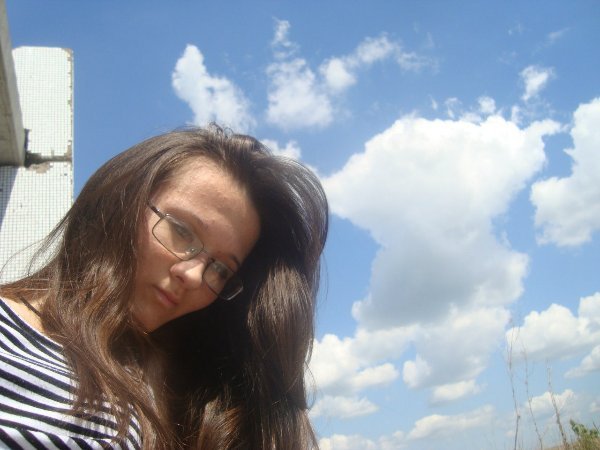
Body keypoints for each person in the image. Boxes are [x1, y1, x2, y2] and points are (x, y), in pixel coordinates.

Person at [0, 125, 329, 449]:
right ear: (121, 201)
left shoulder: (186, 396)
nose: (195, 276)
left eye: (220, 269)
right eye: (182, 231)